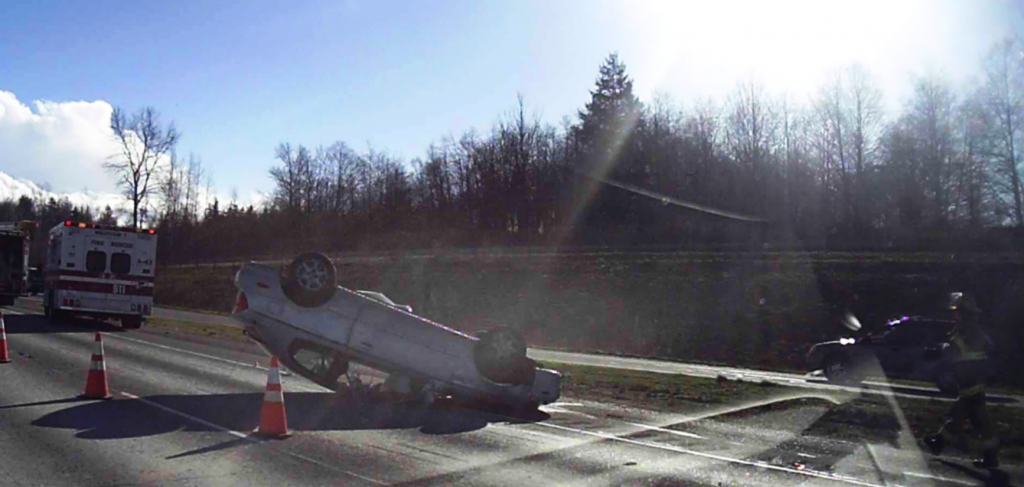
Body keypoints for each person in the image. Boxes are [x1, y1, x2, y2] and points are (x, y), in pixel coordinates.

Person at [924, 291, 999, 469]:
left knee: (979, 420)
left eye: (956, 311)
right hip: (971, 378)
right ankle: (939, 442)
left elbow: (956, 352)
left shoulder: (967, 330)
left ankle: (990, 457)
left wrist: (939, 349)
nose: (953, 315)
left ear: (963, 312)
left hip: (971, 379)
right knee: (963, 414)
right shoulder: (973, 328)